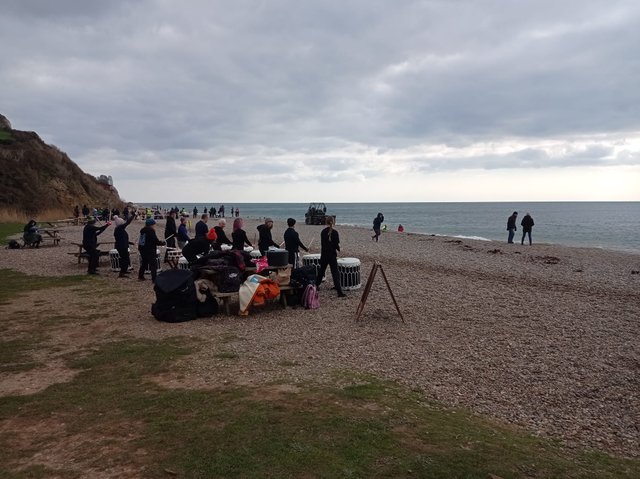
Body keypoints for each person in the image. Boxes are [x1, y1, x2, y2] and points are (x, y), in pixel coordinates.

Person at [316, 216, 346, 297]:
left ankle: (316, 286)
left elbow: (323, 244)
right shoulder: (335, 232)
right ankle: (339, 292)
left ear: (326, 222)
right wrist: (339, 249)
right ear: (333, 222)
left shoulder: (323, 232)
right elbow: (336, 244)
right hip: (332, 255)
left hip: (324, 254)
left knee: (321, 271)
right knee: (335, 273)